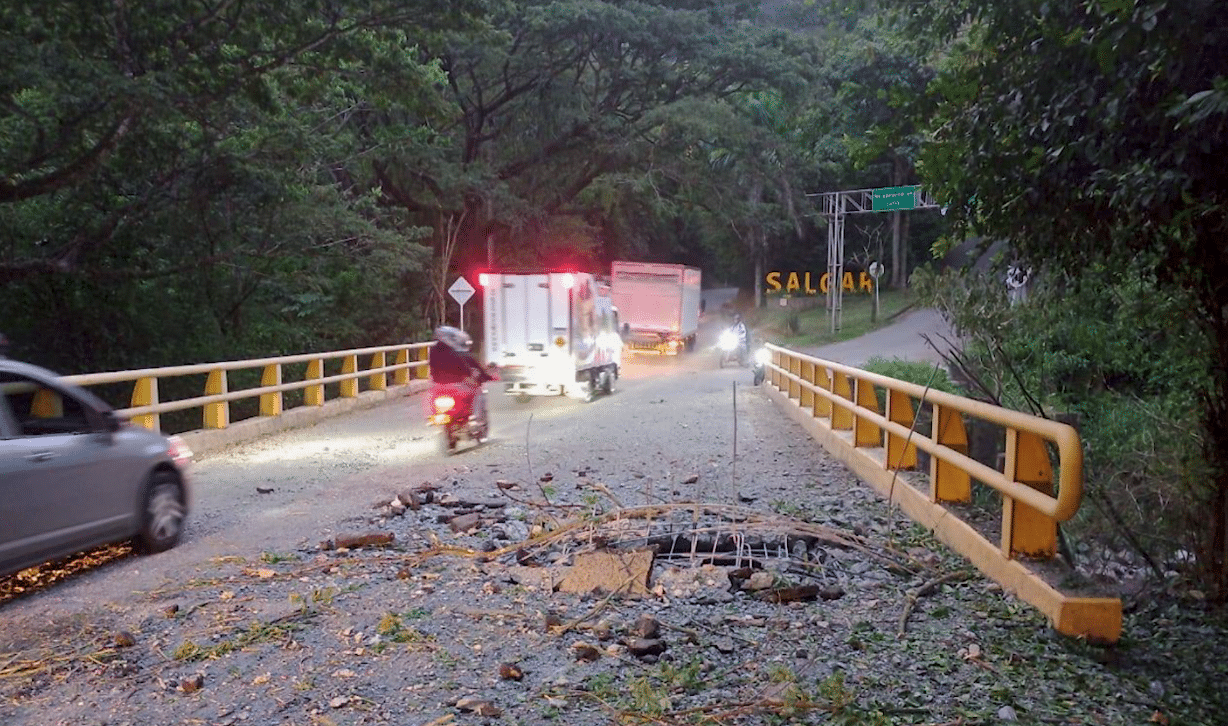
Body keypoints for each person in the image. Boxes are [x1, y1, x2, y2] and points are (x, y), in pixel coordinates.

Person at [429, 326, 494, 423]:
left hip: (438, 385)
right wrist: (484, 377)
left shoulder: (433, 350)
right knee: (476, 391)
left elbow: (431, 366)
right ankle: (475, 417)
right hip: (457, 385)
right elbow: (468, 367)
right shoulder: (457, 352)